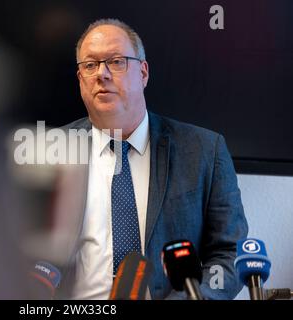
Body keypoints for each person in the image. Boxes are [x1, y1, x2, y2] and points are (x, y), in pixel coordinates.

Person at [60, 18, 248, 300]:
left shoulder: (204, 151)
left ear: (144, 72)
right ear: (80, 80)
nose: (102, 74)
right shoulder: (51, 151)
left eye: (117, 61)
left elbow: (229, 254)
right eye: (90, 65)